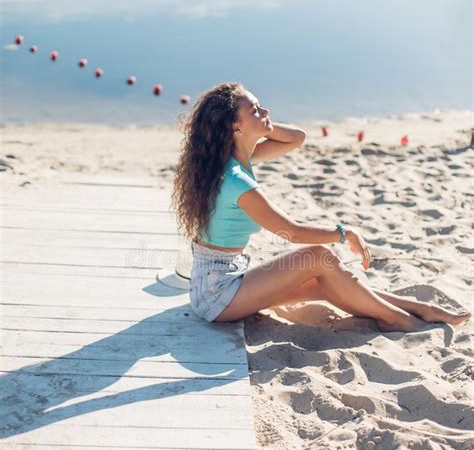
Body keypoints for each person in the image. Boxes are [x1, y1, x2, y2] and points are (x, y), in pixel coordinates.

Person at [171, 82, 470, 331]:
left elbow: (297, 138)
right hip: (217, 294)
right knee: (319, 256)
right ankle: (399, 319)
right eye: (255, 110)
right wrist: (344, 233)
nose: (265, 111)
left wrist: (259, 124)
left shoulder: (238, 159)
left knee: (329, 279)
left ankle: (419, 309)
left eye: (261, 105)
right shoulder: (236, 180)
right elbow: (291, 232)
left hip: (223, 278)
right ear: (235, 126)